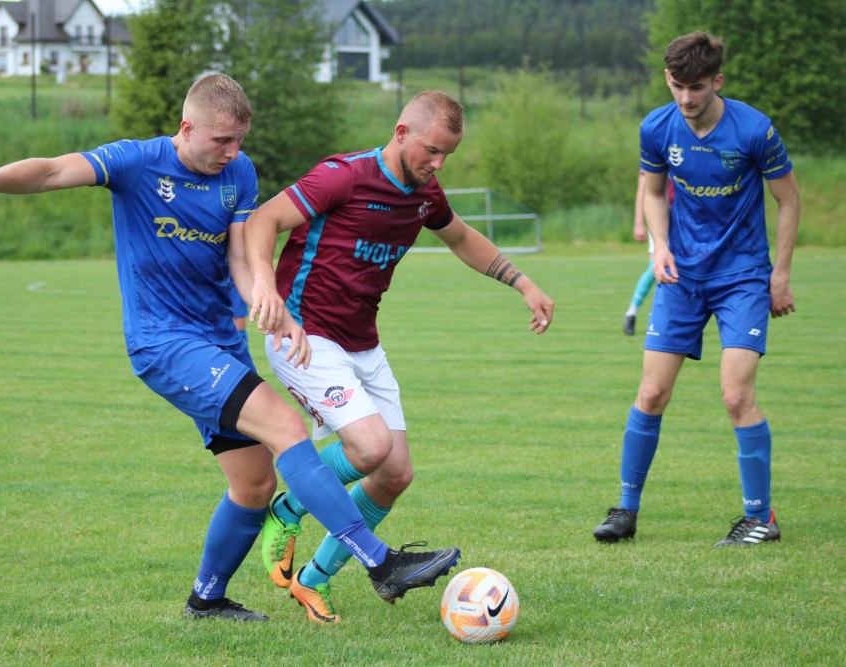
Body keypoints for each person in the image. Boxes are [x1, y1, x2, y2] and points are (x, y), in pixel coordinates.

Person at [0, 74, 461, 622]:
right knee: (286, 427)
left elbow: (239, 257)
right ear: (187, 128)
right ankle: (381, 563)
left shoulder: (239, 172)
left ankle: (206, 600)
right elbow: (51, 171)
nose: (232, 152)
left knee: (254, 482)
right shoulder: (136, 162)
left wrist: (270, 304)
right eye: (222, 141)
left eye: (240, 141)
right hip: (164, 342)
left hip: (221, 342)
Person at [244, 91, 555, 623]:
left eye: (447, 155)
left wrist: (523, 283)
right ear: (402, 132)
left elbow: (460, 237)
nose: (438, 164)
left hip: (363, 343)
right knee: (370, 447)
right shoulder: (343, 177)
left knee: (395, 474)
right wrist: (264, 288)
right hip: (305, 336)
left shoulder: (425, 194)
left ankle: (312, 580)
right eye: (432, 150)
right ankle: (291, 504)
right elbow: (262, 221)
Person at [592, 33, 800, 546]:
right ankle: (625, 510)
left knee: (736, 395)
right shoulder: (656, 127)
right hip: (681, 276)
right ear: (668, 79)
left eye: (698, 87)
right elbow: (653, 191)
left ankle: (761, 519)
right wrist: (660, 246)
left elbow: (789, 201)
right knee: (651, 392)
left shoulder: (754, 130)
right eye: (678, 85)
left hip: (742, 276)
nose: (686, 97)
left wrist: (780, 274)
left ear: (717, 81)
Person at [622, 170, 675, 336]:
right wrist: (638, 222)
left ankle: (682, 319)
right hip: (660, 218)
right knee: (655, 266)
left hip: (686, 219)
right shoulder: (654, 154)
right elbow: (644, 190)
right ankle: (631, 312)